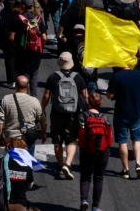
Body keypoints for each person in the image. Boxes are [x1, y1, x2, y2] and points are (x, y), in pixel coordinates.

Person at [43, 51, 86, 179]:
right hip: (73, 113)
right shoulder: (78, 77)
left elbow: (46, 96)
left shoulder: (53, 77)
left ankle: (60, 165)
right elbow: (85, 96)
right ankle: (68, 164)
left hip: (57, 113)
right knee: (72, 140)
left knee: (57, 141)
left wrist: (42, 109)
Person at [109, 55, 140, 179]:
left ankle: (125, 169)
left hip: (121, 112)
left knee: (122, 141)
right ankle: (138, 163)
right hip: (136, 112)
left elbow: (109, 95)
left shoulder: (117, 77)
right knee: (136, 139)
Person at [76, 90, 112, 211]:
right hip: (102, 153)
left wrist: (82, 147)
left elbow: (81, 136)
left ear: (89, 103)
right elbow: (110, 140)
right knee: (99, 178)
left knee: (85, 177)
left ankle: (84, 200)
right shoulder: (105, 118)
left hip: (87, 151)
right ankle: (96, 206)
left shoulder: (83, 117)